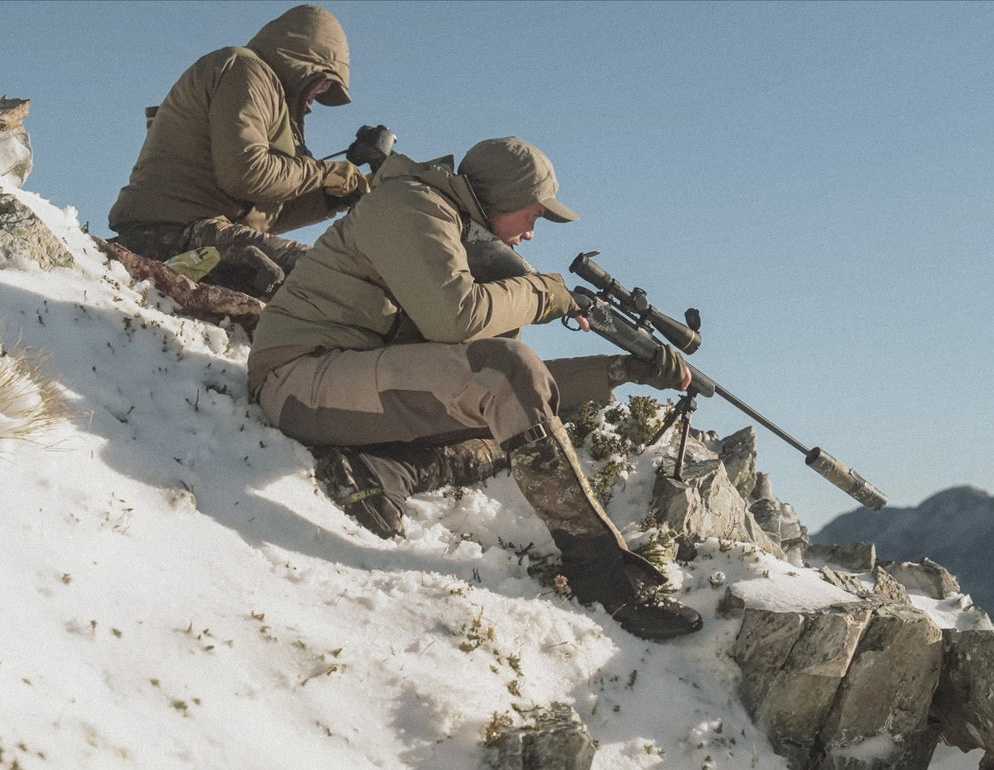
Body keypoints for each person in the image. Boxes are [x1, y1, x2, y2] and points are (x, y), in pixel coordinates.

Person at [246, 137, 702, 641]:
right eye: (532, 215)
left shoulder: (459, 238)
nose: (531, 233)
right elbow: (460, 322)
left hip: (346, 382)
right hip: (297, 379)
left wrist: (620, 370)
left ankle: (376, 468)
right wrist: (543, 293)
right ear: (500, 198)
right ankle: (602, 576)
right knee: (507, 379)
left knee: (517, 434)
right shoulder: (409, 204)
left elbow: (515, 389)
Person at [107, 4, 369, 300]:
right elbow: (245, 173)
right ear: (304, 63)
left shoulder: (264, 90)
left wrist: (339, 195)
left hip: (198, 233)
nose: (316, 97)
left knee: (341, 278)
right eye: (324, 83)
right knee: (337, 277)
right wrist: (322, 174)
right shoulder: (245, 70)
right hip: (170, 234)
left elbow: (263, 211)